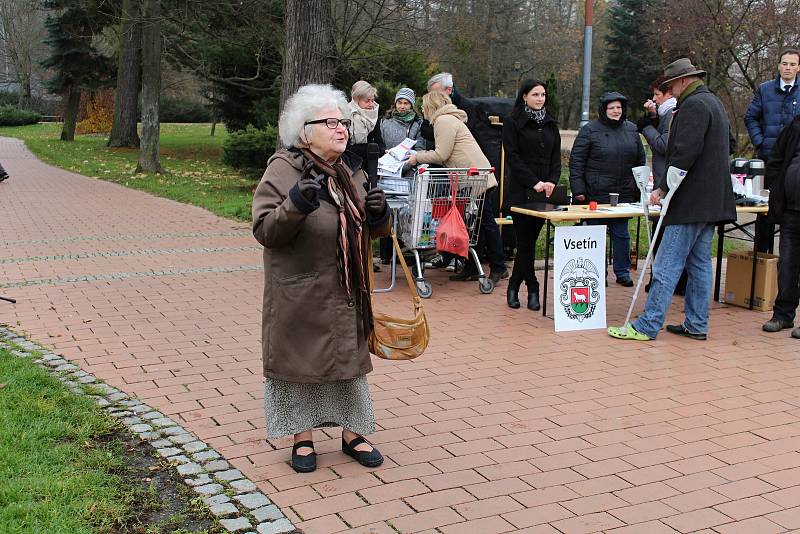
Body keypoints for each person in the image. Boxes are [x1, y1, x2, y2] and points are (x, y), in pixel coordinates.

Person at [251, 84, 390, 473]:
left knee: (349, 361)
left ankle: (353, 433)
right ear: (304, 131)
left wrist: (379, 217)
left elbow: (366, 229)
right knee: (300, 363)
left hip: (345, 288)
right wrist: (295, 204)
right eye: (330, 122)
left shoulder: (350, 172)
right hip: (301, 287)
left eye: (343, 122)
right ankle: (303, 437)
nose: (341, 128)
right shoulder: (282, 168)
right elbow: (265, 230)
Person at [608, 58, 736, 341]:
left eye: (670, 85)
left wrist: (663, 188)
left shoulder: (694, 106)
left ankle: (648, 324)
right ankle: (696, 324)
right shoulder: (713, 102)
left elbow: (684, 153)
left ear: (682, 81)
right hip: (712, 200)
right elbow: (730, 144)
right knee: (700, 263)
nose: (670, 91)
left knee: (667, 263)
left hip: (691, 201)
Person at [406, 91, 508, 283]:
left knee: (485, 224)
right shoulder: (449, 120)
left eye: (423, 106)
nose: (422, 110)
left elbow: (441, 154)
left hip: (475, 177)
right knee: (475, 224)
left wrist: (416, 158)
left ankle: (499, 266)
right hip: (474, 176)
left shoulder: (443, 121)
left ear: (431, 106)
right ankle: (471, 266)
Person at [569, 91, 646, 286]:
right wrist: (578, 189)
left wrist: (639, 189)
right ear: (604, 110)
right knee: (596, 235)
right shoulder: (589, 130)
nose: (615, 111)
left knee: (621, 234)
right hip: (596, 194)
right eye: (611, 107)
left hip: (623, 194)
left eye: (619, 107)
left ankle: (622, 272)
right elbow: (576, 161)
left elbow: (640, 161)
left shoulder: (632, 130)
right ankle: (597, 272)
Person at [502, 79, 561, 311]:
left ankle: (514, 285)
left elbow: (556, 158)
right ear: (524, 96)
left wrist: (551, 182)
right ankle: (533, 287)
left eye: (543, 94)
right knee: (525, 241)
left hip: (544, 193)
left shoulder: (550, 123)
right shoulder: (512, 122)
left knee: (528, 243)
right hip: (521, 192)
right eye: (535, 94)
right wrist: (534, 182)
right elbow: (513, 158)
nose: (540, 99)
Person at [745, 48, 800, 252]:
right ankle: (761, 261)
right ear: (778, 65)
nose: (788, 68)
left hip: (794, 163)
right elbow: (751, 117)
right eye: (785, 63)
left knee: (791, 214)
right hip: (768, 160)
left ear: (798, 68)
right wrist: (760, 142)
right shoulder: (765, 89)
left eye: (792, 64)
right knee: (765, 213)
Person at [637, 76, 687, 295]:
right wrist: (652, 117)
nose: (654, 99)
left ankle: (665, 280)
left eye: (658, 95)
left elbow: (664, 145)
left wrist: (648, 128)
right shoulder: (665, 113)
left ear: (668, 94)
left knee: (665, 235)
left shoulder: (673, 114)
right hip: (663, 178)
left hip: (667, 181)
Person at [376, 87, 427, 266]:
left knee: (407, 211)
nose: (402, 106)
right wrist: (387, 156)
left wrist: (407, 162)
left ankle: (406, 252)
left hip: (409, 171)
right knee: (388, 209)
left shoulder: (418, 123)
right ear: (395, 103)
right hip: (388, 171)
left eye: (406, 103)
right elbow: (380, 143)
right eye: (400, 102)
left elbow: (420, 148)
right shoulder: (385, 122)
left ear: (412, 105)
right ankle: (386, 253)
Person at [761, 114, 800, 338]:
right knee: (786, 265)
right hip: (790, 211)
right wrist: (775, 189)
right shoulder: (795, 125)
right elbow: (776, 159)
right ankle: (783, 315)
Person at [347, 80, 385, 183]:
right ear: (356, 100)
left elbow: (379, 141)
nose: (371, 104)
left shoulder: (374, 115)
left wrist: (381, 150)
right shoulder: (346, 115)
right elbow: (345, 147)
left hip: (370, 165)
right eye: (367, 101)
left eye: (372, 100)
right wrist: (371, 148)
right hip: (349, 164)